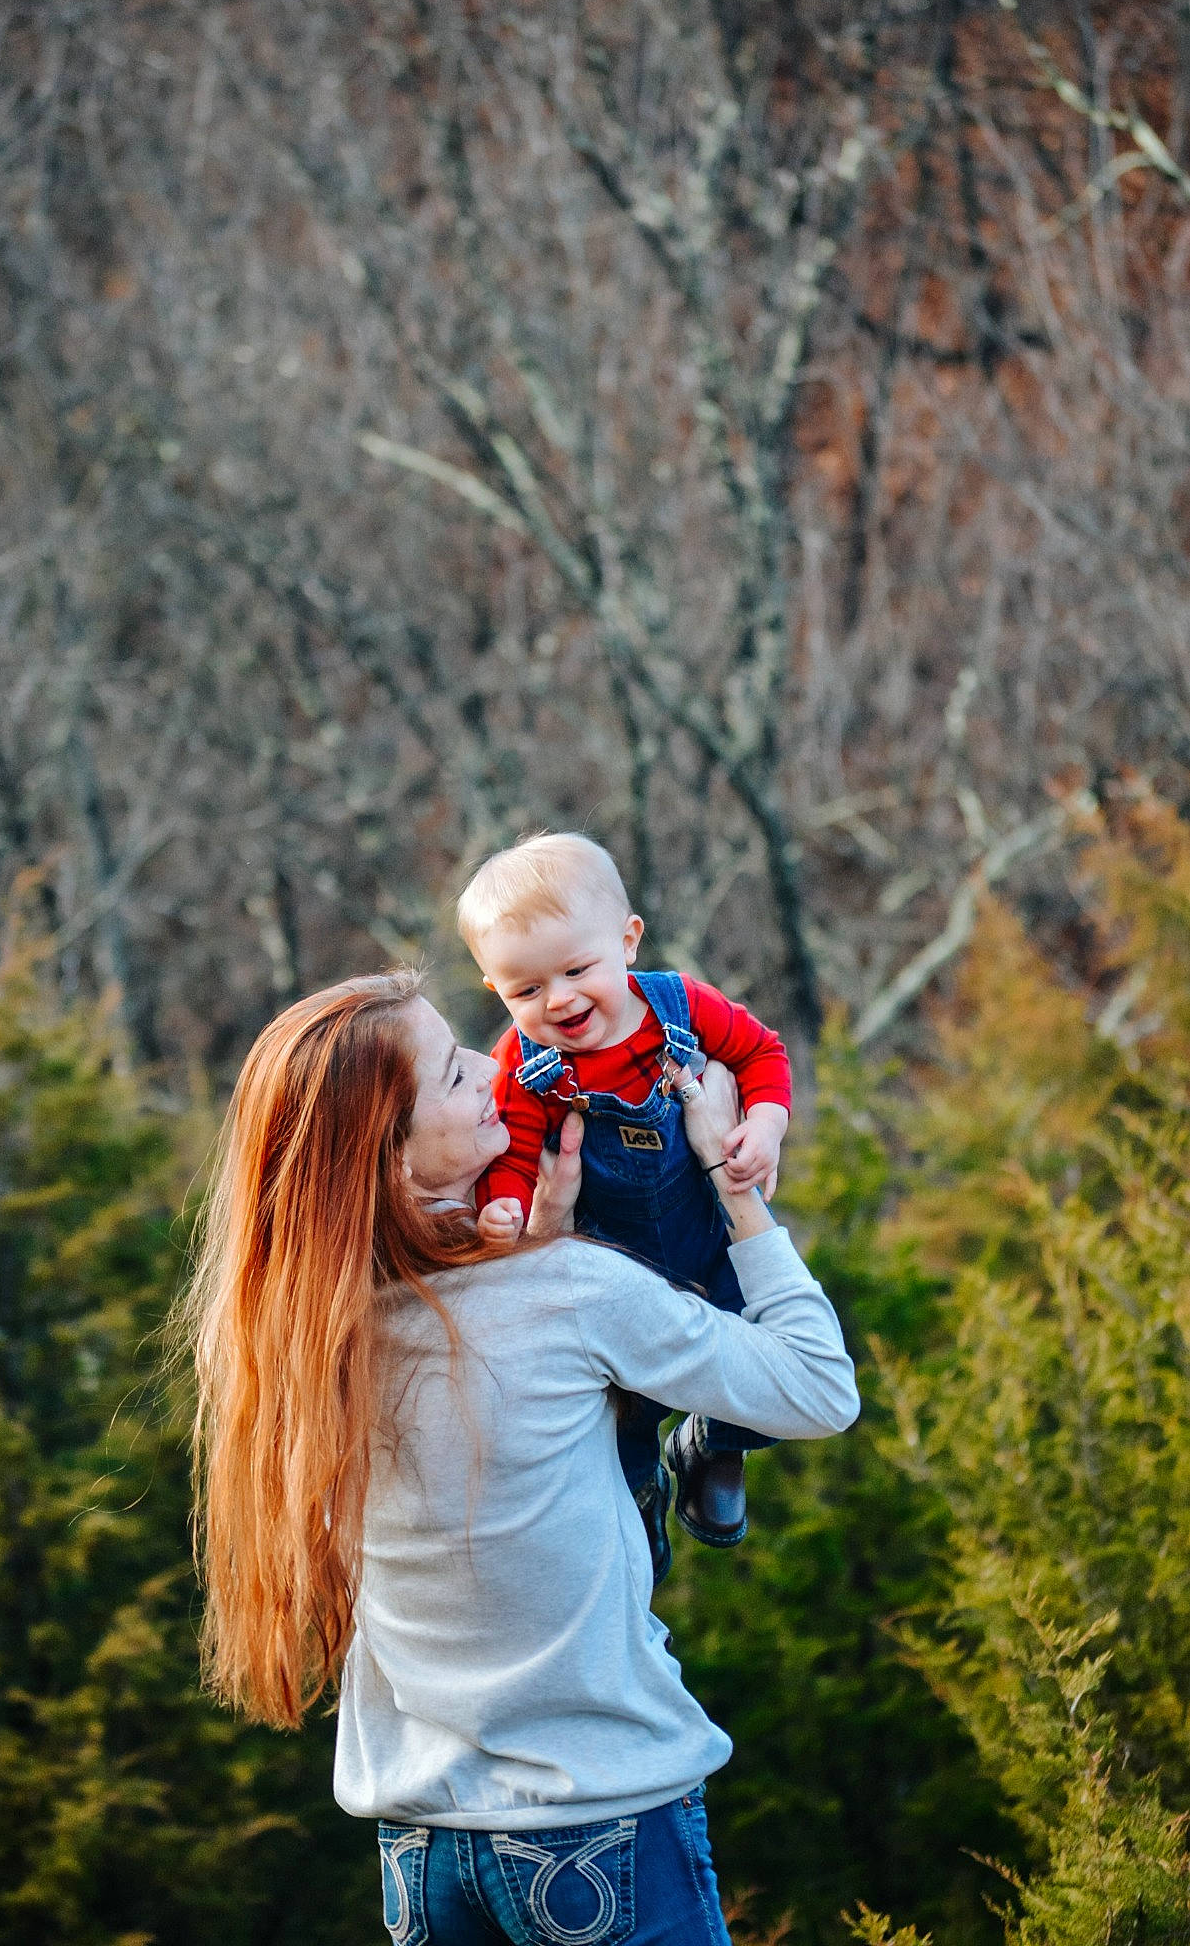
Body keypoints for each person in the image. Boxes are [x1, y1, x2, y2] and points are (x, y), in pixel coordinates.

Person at [183, 968, 857, 1946]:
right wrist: (733, 1183)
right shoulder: (566, 1293)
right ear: (393, 1151)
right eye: (456, 1072)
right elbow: (815, 1386)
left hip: (420, 1843)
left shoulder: (276, 1340)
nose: (496, 1067)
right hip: (599, 1815)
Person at [457, 832, 792, 1573]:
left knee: (763, 1349)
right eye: (527, 990)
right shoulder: (523, 1065)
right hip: (610, 1258)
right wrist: (502, 1209)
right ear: (496, 990)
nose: (561, 999)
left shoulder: (676, 1006)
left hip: (705, 1235)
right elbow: (511, 1153)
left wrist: (765, 1122)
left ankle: (714, 1444)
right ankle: (637, 1493)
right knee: (619, 1409)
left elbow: (759, 1053)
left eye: (578, 969)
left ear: (627, 940)